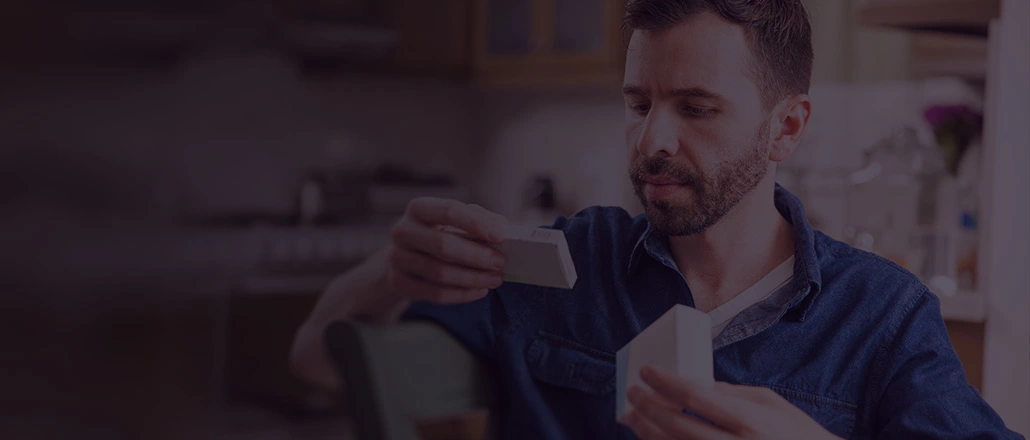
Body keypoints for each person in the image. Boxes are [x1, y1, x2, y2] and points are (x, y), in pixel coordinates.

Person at [290, 1, 1022, 439]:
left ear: (786, 128)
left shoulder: (881, 319)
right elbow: (318, 362)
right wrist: (389, 273)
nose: (652, 142)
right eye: (640, 104)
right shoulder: (561, 266)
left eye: (695, 108)